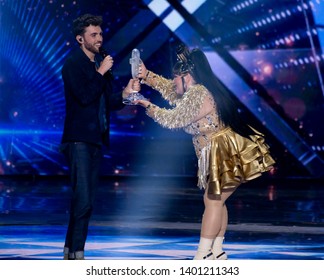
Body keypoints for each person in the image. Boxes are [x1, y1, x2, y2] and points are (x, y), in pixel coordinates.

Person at [135, 45, 275, 260]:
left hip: (224, 151)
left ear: (187, 76)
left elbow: (173, 119)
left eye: (175, 77)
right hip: (215, 151)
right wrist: (146, 76)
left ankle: (202, 255)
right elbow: (172, 91)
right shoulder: (194, 91)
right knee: (217, 201)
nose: (173, 81)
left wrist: (147, 105)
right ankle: (216, 251)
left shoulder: (198, 94)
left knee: (212, 201)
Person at [60, 14, 140, 260]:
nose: (98, 38)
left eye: (100, 34)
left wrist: (125, 94)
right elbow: (84, 97)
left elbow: (106, 102)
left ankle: (70, 250)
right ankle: (77, 252)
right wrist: (102, 71)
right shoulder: (73, 63)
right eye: (93, 34)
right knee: (83, 199)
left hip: (95, 138)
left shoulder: (99, 67)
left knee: (84, 199)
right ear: (80, 39)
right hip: (78, 139)